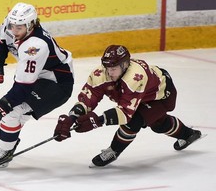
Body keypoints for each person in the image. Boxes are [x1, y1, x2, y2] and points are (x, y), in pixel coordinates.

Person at [53, 44, 202, 167]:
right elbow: (88, 97)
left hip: (160, 95)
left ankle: (114, 150)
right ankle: (189, 134)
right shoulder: (101, 73)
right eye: (107, 67)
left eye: (114, 68)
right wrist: (72, 117)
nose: (110, 72)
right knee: (158, 124)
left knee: (134, 122)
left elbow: (125, 113)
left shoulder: (135, 77)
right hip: (140, 97)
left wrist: (98, 120)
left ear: (125, 64)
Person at [0, 2, 74, 166]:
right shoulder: (12, 23)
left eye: (19, 28)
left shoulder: (35, 47)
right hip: (36, 76)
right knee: (16, 112)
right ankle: (5, 140)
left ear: (30, 26)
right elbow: (0, 41)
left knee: (12, 112)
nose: (14, 31)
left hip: (56, 84)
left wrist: (1, 106)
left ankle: (6, 151)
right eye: (12, 25)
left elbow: (23, 87)